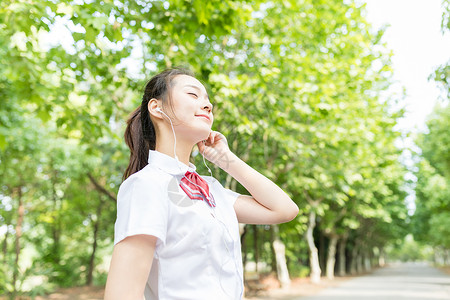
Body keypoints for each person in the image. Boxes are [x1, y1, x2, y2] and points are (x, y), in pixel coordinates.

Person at [104, 68, 299, 300]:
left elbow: (284, 209)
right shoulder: (146, 185)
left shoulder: (211, 189)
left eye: (208, 101)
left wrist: (225, 158)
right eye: (193, 95)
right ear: (157, 108)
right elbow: (123, 294)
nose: (208, 106)